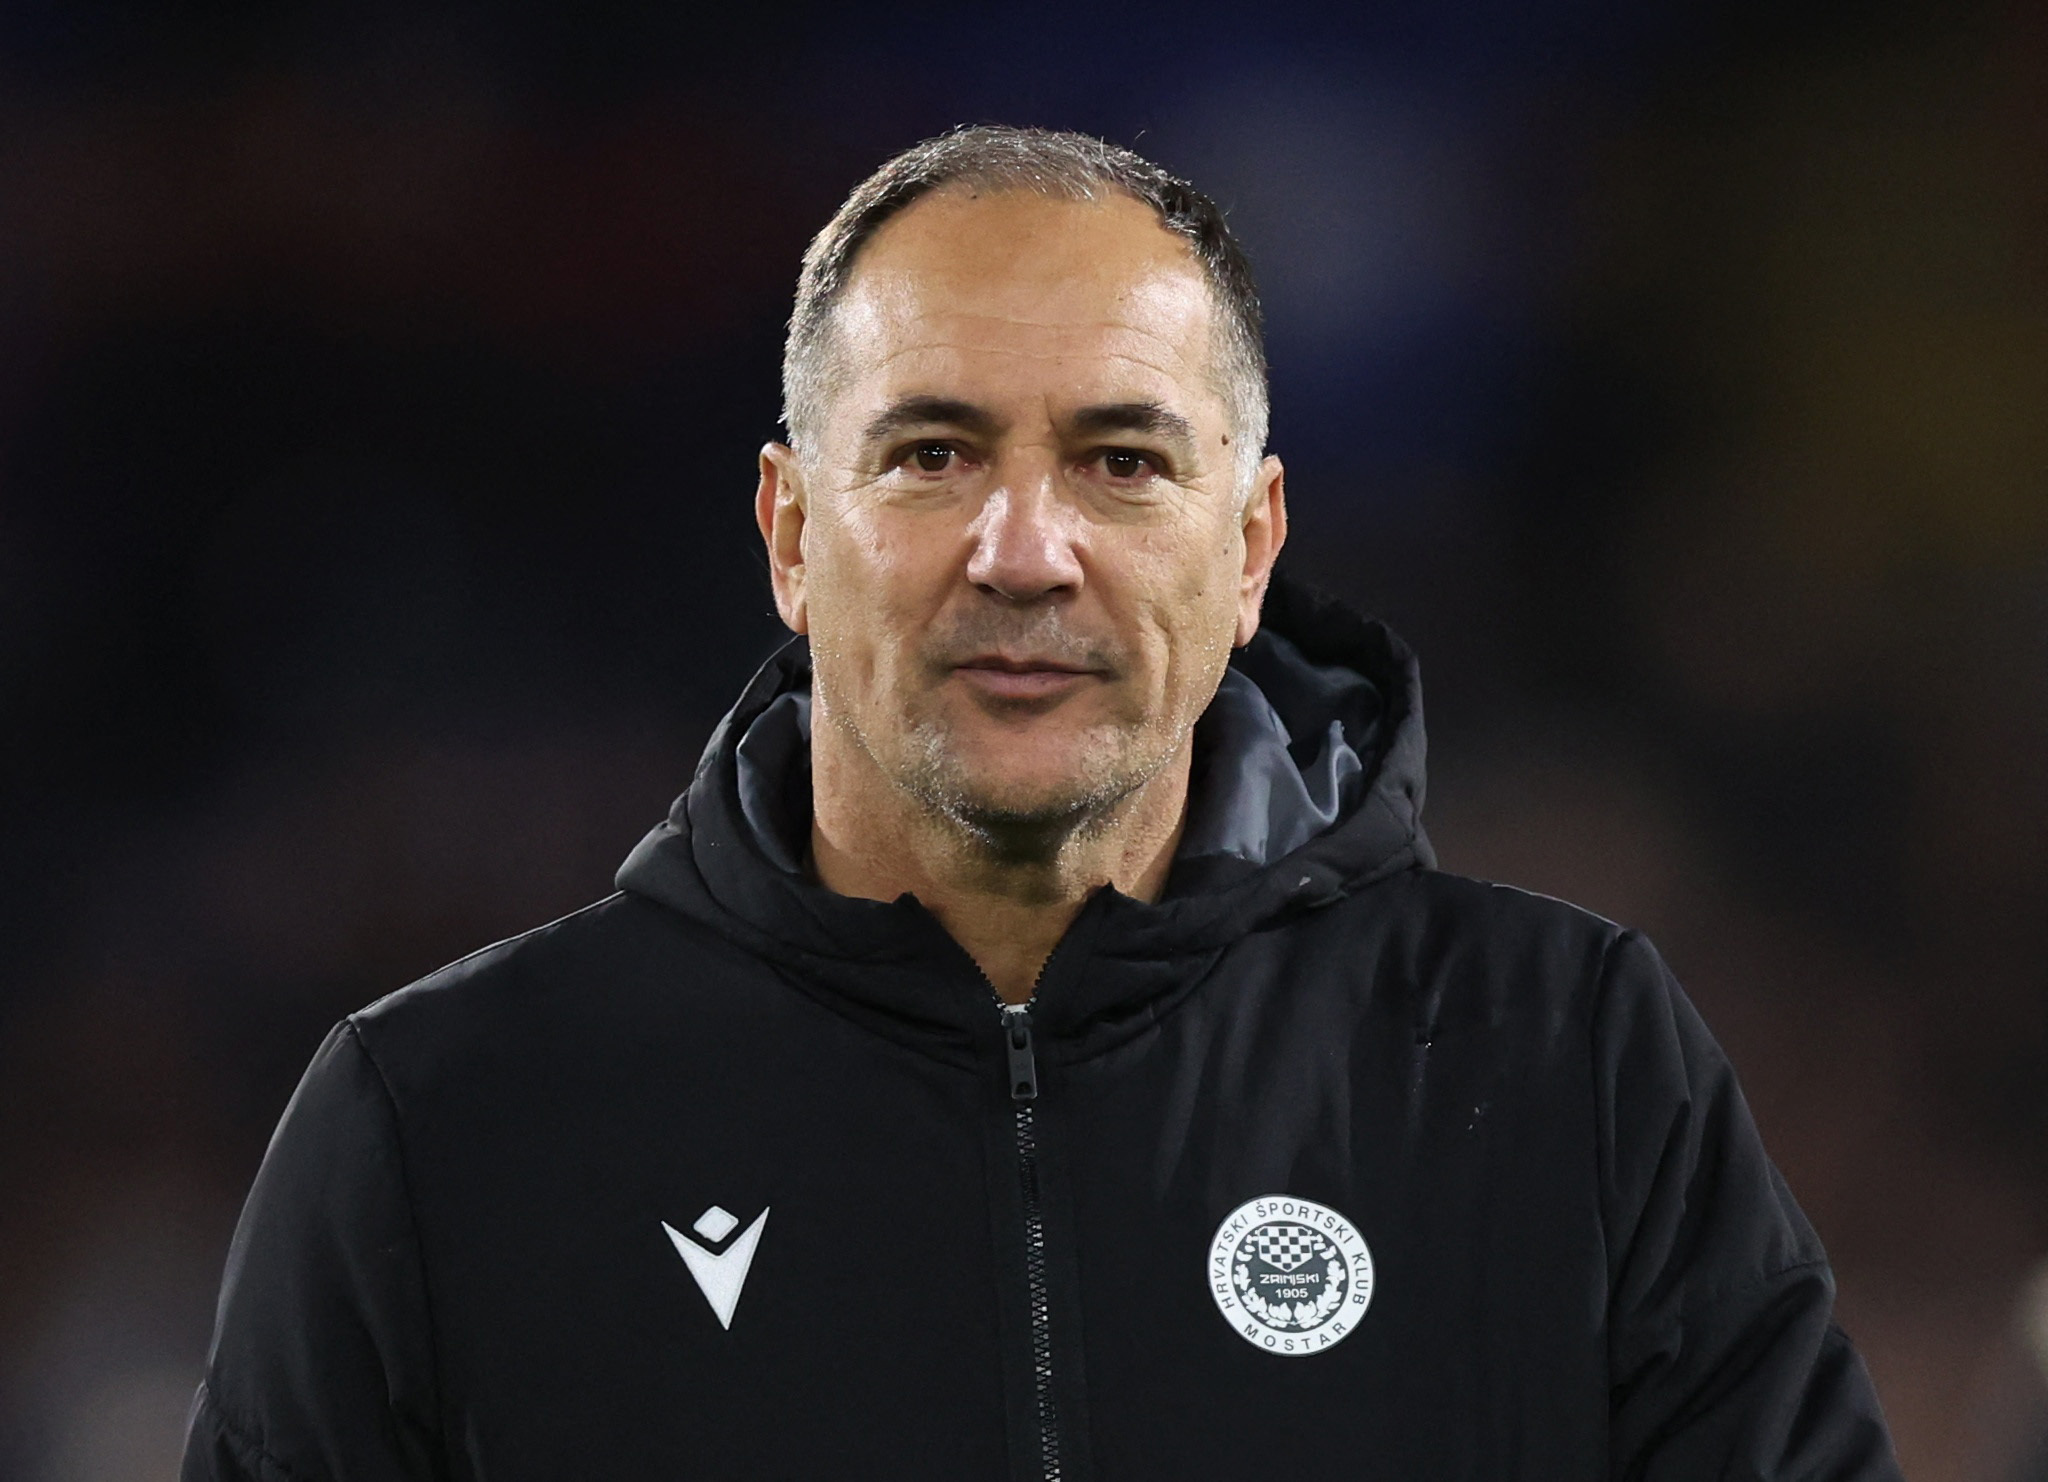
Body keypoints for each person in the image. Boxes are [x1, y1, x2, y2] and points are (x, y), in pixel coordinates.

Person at [182, 126, 1902, 1480]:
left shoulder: (1561, 1060)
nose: (1024, 550)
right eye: (932, 453)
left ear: (1249, 549)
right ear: (789, 534)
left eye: (1121, 461)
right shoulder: (446, 1122)